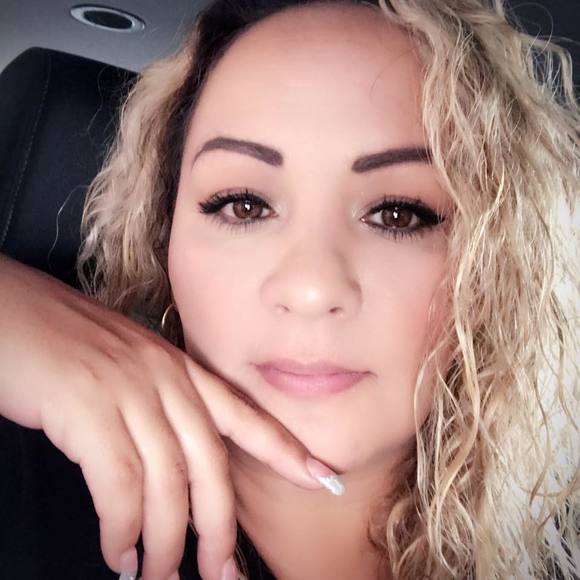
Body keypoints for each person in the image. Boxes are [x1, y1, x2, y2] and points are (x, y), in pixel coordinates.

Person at [0, 0, 578, 578]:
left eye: (398, 214)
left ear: (499, 261)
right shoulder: (33, 486)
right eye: (244, 205)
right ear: (162, 238)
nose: (311, 288)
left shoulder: (559, 540)